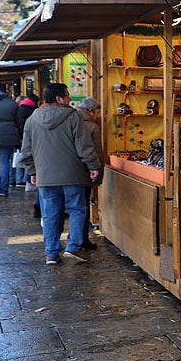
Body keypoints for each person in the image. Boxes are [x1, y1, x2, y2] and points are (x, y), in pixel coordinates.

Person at [20, 83, 100, 265]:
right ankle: (73, 248)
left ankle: (51, 253)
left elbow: (26, 151)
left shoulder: (32, 119)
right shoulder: (74, 117)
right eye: (67, 95)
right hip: (73, 174)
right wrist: (93, 166)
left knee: (49, 214)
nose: (70, 99)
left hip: (45, 177)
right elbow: (84, 146)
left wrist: (32, 171)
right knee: (77, 210)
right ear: (58, 99)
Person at [75, 97, 103, 250]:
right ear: (90, 111)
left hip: (69, 171)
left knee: (73, 208)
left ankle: (71, 242)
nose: (98, 116)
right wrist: (99, 172)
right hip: (86, 171)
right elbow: (97, 151)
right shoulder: (92, 126)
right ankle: (82, 239)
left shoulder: (70, 121)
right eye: (97, 112)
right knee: (82, 207)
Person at [14, 93, 38, 188]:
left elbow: (17, 124)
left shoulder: (19, 109)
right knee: (30, 157)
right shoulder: (34, 110)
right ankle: (26, 179)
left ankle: (18, 179)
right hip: (31, 136)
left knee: (21, 156)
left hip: (20, 136)